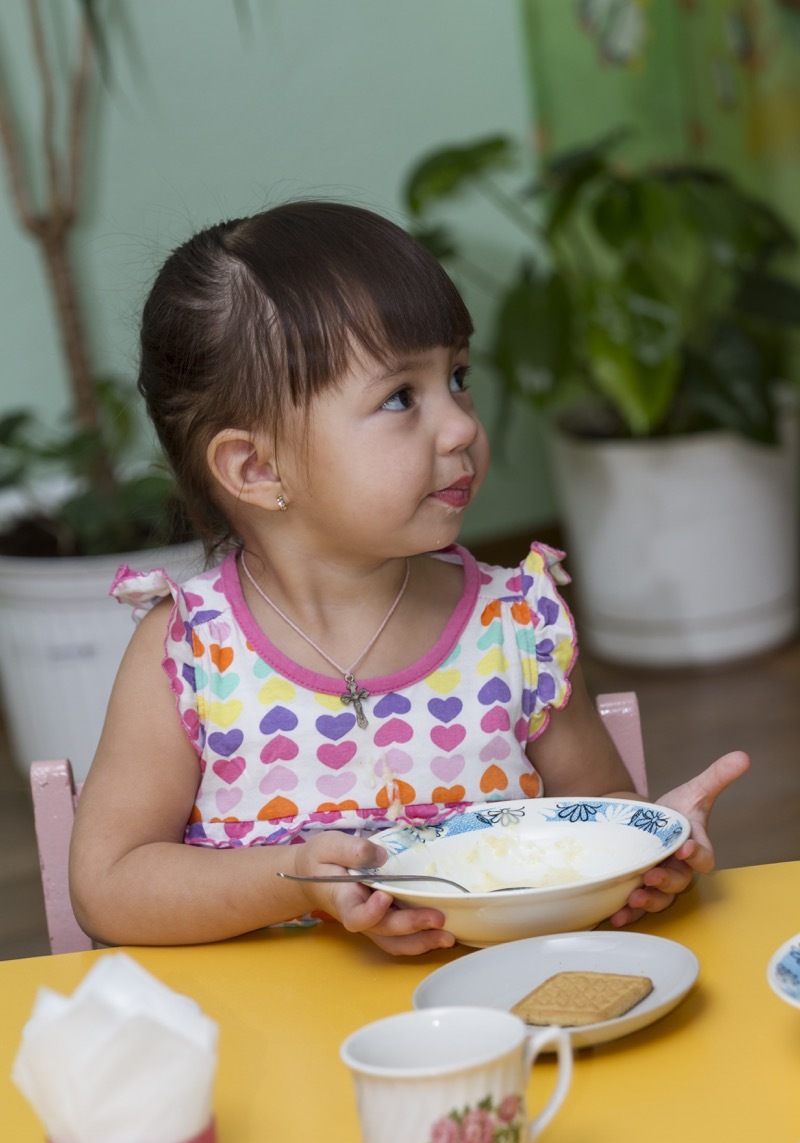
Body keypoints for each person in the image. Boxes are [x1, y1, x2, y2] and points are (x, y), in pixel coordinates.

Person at [69, 200, 750, 954]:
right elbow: (109, 888)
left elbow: (596, 817)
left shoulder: (516, 628)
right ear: (257, 468)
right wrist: (292, 881)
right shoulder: (191, 656)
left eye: (457, 376)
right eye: (400, 397)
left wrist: (648, 854)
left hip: (510, 1023)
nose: (461, 425)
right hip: (281, 1054)